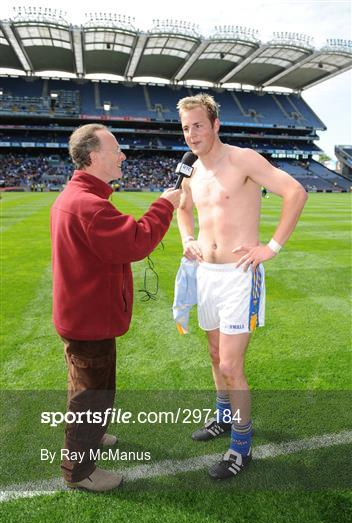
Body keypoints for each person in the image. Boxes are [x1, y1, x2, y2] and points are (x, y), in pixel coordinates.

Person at [176, 94, 307, 480]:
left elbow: (296, 192)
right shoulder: (192, 169)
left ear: (216, 125)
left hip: (239, 275)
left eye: (198, 125)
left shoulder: (243, 159)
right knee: (216, 356)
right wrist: (187, 239)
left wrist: (271, 247)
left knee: (232, 365)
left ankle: (241, 447)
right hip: (207, 275)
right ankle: (222, 419)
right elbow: (182, 208)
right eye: (185, 127)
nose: (192, 134)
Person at [50, 123, 181, 492]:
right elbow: (135, 243)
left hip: (84, 314)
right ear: (93, 157)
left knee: (91, 386)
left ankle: (95, 434)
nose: (123, 156)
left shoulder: (79, 196)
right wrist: (164, 204)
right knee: (90, 395)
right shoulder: (89, 205)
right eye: (116, 150)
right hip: (89, 319)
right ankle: (78, 471)